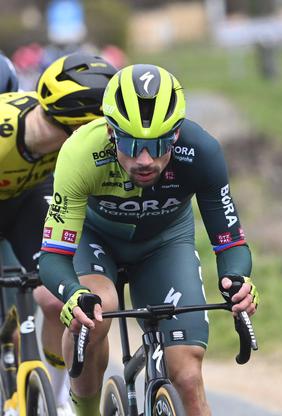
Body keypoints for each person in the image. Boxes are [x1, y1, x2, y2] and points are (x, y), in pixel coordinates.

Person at [39, 64, 259, 416]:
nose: (145, 160)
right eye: (130, 143)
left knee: (187, 375)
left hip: (164, 243)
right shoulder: (80, 152)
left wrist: (239, 281)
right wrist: (72, 293)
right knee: (97, 309)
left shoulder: (201, 151)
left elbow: (229, 241)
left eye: (158, 145)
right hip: (95, 240)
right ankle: (85, 411)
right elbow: (52, 256)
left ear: (175, 135)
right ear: (111, 132)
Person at [0, 52, 117, 415]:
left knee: (54, 299)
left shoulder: (71, 148)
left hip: (25, 202)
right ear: (81, 125)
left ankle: (59, 395)